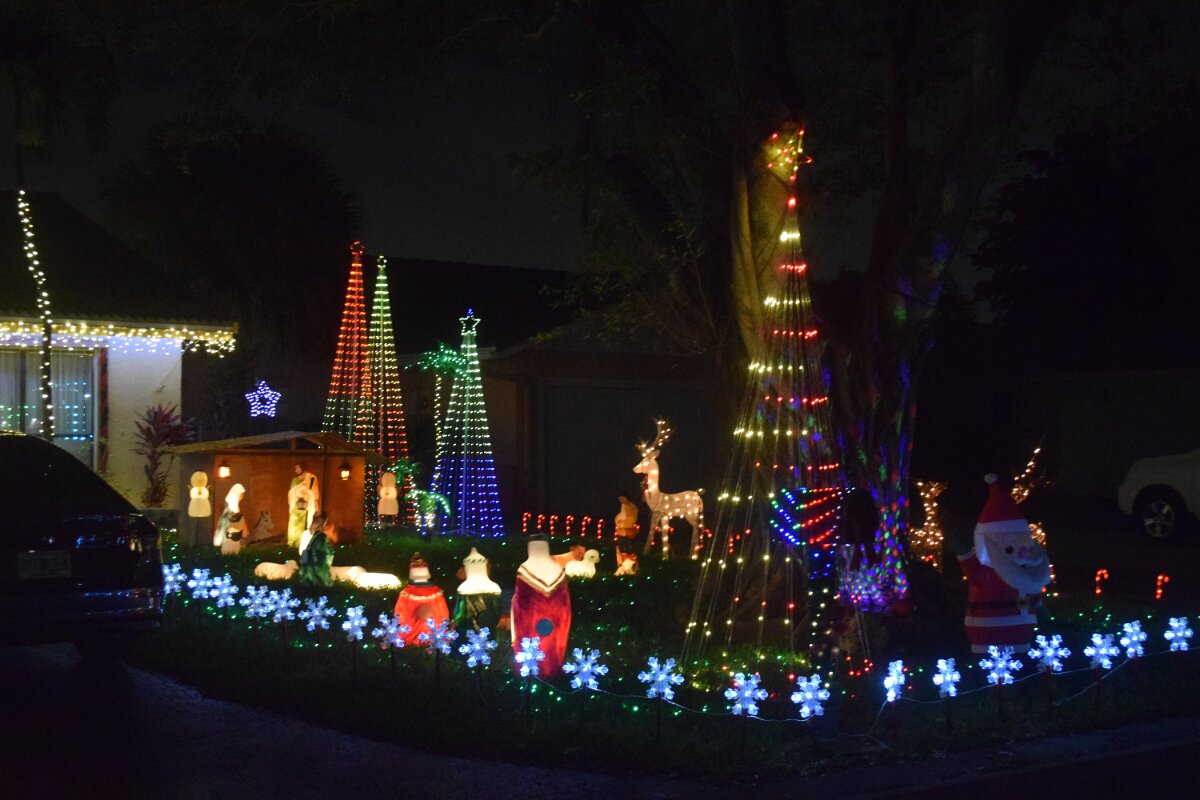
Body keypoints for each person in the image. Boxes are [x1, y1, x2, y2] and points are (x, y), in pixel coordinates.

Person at [957, 473, 1051, 654]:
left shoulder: (1026, 568)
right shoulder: (985, 569)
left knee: (1020, 662)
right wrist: (961, 549)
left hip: (1021, 631)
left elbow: (1033, 590)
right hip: (985, 631)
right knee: (988, 664)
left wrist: (1039, 606)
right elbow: (968, 563)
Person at [511, 532, 571, 677]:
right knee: (552, 657)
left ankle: (533, 676)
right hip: (556, 625)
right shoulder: (559, 570)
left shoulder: (524, 569)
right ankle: (553, 674)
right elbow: (566, 606)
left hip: (531, 625)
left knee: (533, 659)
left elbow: (520, 605)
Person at [394, 554, 450, 646]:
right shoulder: (436, 592)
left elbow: (400, 613)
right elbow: (443, 612)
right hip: (433, 632)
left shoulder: (406, 593)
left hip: (411, 633)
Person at [297, 512, 334, 587]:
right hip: (317, 570)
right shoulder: (320, 536)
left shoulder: (312, 535)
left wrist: (304, 566)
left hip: (311, 570)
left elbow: (303, 553)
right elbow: (327, 554)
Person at [287, 463, 319, 549]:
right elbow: (292, 492)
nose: (295, 470)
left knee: (306, 524)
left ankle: (304, 544)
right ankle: (293, 544)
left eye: (297, 468)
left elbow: (313, 492)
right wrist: (298, 492)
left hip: (307, 507)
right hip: (296, 507)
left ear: (302, 468)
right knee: (294, 525)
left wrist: (307, 494)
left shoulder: (311, 478)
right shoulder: (294, 480)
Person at [182, 470, 212, 548]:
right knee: (193, 527)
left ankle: (204, 543)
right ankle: (192, 543)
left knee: (203, 527)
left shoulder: (203, 490)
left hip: (203, 510)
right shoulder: (194, 490)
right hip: (195, 510)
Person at [215, 484, 246, 556]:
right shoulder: (230, 508)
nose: (242, 496)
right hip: (230, 539)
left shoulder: (235, 508)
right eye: (241, 494)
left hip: (236, 538)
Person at [614, 490, 640, 575]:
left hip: (627, 531)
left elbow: (631, 518)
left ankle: (630, 568)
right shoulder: (625, 506)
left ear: (626, 498)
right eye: (620, 499)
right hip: (623, 531)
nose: (621, 501)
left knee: (628, 550)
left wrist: (621, 522)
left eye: (622, 499)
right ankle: (624, 567)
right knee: (622, 549)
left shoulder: (631, 507)